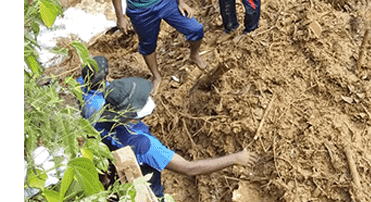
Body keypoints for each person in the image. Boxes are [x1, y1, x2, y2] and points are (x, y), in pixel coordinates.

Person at [100, 77, 257, 200]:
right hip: (144, 194)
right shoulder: (144, 145)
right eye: (144, 100)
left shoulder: (100, 123)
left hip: (118, 188)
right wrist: (235, 158)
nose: (150, 97)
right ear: (131, 113)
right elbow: (189, 168)